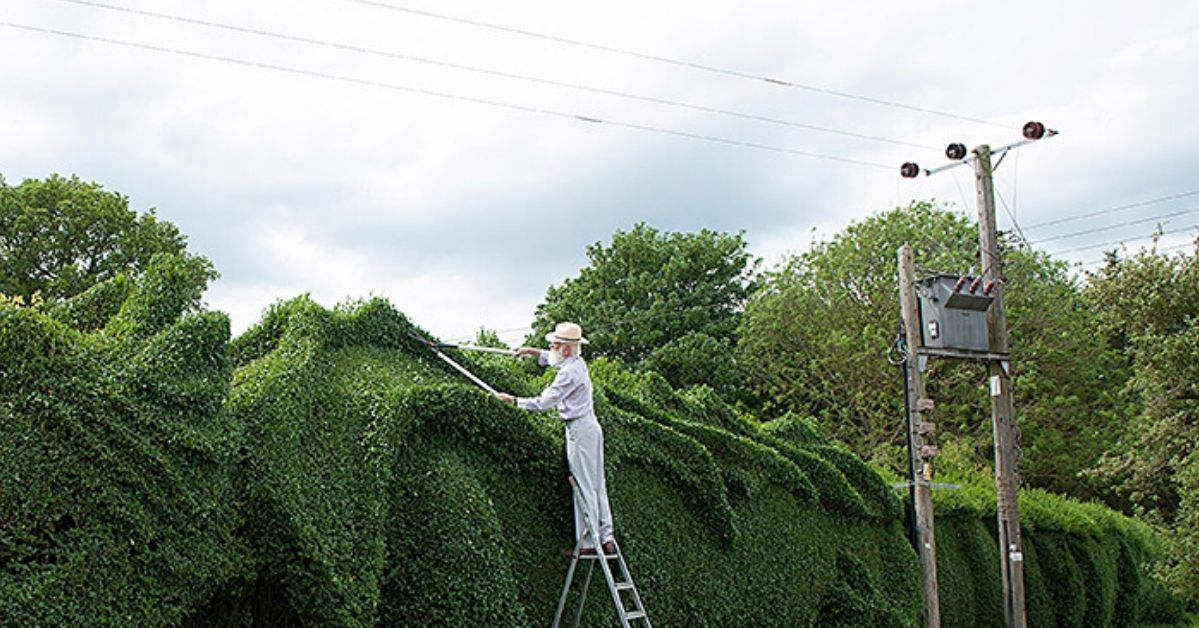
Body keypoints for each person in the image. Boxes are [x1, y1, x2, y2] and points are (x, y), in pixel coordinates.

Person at [495, 322, 616, 557]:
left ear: (567, 349)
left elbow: (543, 403)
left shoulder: (569, 374)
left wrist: (513, 401)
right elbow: (551, 358)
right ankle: (606, 535)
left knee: (583, 485)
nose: (551, 346)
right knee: (597, 483)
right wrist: (530, 351)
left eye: (556, 344)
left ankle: (589, 542)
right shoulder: (575, 363)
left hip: (579, 430)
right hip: (589, 426)